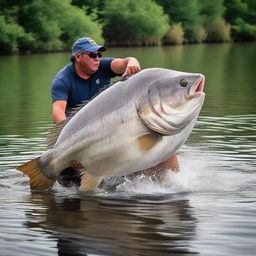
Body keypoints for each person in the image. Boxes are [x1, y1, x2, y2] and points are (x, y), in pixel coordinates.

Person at [50, 37, 179, 187]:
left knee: (162, 147)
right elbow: (57, 111)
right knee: (74, 189)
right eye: (92, 55)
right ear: (78, 57)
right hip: (80, 139)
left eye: (99, 55)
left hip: (111, 132)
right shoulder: (63, 80)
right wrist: (70, 144)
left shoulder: (103, 67)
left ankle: (173, 187)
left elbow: (125, 62)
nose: (97, 58)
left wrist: (132, 63)